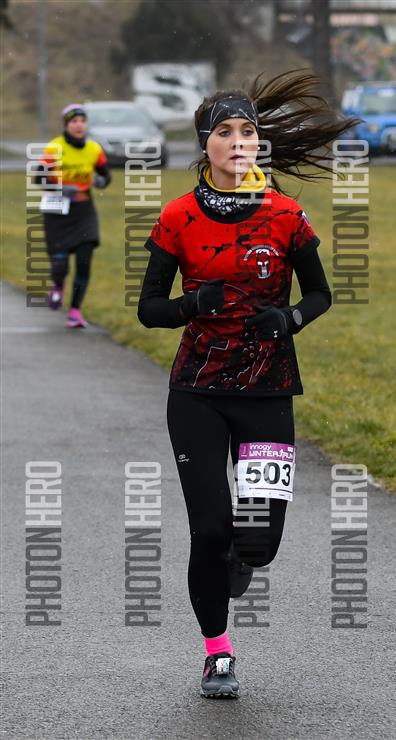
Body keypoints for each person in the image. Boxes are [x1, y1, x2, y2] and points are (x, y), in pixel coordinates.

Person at [137, 69, 359, 699]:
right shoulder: (178, 216)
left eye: (248, 132)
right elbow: (149, 309)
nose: (240, 142)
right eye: (226, 132)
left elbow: (320, 294)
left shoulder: (286, 215)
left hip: (267, 391)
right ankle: (217, 654)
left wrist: (289, 319)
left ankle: (240, 559)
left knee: (258, 545)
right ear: (205, 144)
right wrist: (190, 304)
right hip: (198, 392)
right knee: (210, 530)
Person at [35, 104, 111, 328]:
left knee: (84, 261)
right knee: (60, 266)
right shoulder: (54, 148)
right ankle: (58, 285)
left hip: (84, 211)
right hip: (57, 211)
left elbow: (105, 176)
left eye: (82, 121)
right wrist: (60, 188)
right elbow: (39, 179)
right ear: (66, 125)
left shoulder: (94, 149)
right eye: (74, 121)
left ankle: (75, 311)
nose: (79, 125)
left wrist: (101, 181)